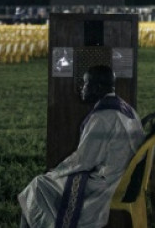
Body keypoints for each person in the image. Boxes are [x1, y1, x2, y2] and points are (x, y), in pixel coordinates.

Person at [18, 65, 144, 228]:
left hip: (104, 183)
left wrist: (56, 172)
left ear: (97, 88)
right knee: (45, 185)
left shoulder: (102, 118)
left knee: (38, 186)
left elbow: (83, 160)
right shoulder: (126, 109)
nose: (81, 88)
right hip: (123, 176)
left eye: (85, 84)